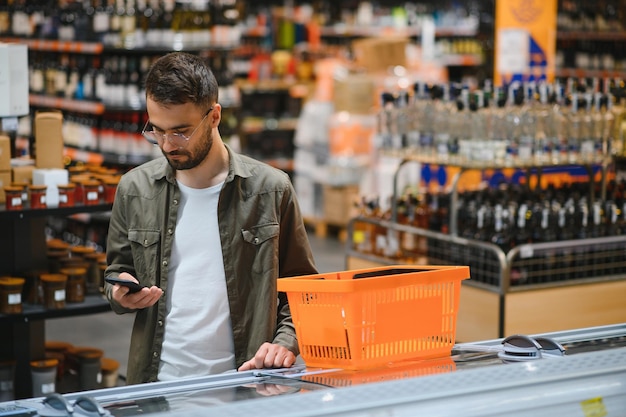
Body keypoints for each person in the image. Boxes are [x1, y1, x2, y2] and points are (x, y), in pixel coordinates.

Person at [104, 51, 317, 385]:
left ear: (215, 116)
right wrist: (120, 292)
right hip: (159, 386)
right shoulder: (134, 190)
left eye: (181, 131)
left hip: (249, 384)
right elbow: (117, 272)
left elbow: (304, 290)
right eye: (157, 131)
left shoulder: (270, 190)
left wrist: (284, 343)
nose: (167, 144)